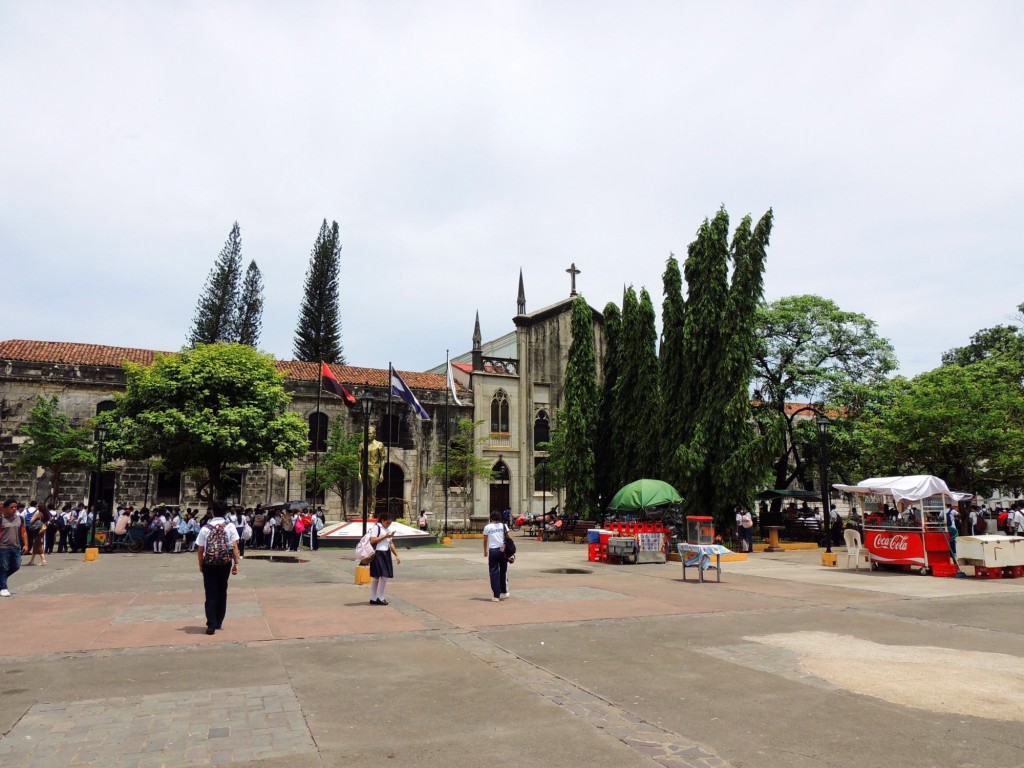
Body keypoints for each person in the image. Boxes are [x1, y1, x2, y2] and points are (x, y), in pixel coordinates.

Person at [195, 501, 240, 635]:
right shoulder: (230, 526)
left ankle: (211, 624)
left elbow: (200, 550)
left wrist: (201, 564)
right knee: (222, 590)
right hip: (225, 563)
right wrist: (236, 564)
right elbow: (235, 546)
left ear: (212, 512)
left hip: (209, 563)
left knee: (210, 593)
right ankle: (219, 620)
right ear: (226, 512)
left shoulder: (205, 528)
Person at [368, 509, 400, 605]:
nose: (388, 524)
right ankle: (379, 597)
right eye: (387, 522)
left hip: (385, 553)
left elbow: (391, 543)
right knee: (382, 575)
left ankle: (374, 598)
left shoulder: (388, 530)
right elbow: (372, 540)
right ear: (382, 520)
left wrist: (396, 555)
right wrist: (385, 536)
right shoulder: (376, 528)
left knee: (378, 576)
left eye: (390, 523)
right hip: (378, 553)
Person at [1, 498, 29, 597]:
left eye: (15, 507)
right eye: (11, 507)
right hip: (3, 547)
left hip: (16, 546)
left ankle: (1, 580)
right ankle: (3, 587)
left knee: (16, 565)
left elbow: (23, 532)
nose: (14, 509)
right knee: (4, 567)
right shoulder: (1, 519)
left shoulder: (19, 518)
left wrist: (26, 544)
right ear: (4, 508)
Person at [482, 510, 510, 602]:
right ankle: (504, 592)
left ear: (491, 518)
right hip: (503, 551)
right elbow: (509, 539)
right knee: (503, 571)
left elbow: (485, 540)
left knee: (494, 572)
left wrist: (485, 551)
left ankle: (496, 595)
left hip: (493, 551)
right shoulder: (504, 526)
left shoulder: (487, 527)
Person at [358, 426, 386, 514]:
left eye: (370, 433)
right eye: (368, 433)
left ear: (374, 434)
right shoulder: (362, 444)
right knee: (366, 491)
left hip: (375, 468)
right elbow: (359, 460)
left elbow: (383, 459)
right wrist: (359, 472)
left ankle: (371, 512)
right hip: (365, 469)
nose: (369, 435)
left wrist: (382, 473)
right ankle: (365, 511)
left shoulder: (379, 444)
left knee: (373, 492)